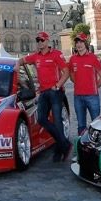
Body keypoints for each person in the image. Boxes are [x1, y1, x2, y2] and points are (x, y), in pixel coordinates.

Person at [19, 32, 70, 162]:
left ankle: (59, 150)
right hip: (43, 92)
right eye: (38, 40)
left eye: (42, 40)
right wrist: (16, 65)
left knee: (57, 121)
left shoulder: (56, 54)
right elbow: (22, 60)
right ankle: (64, 144)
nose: (40, 42)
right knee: (41, 119)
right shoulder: (36, 56)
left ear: (47, 41)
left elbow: (66, 72)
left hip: (55, 92)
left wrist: (58, 85)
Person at [67, 33, 101, 136]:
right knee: (81, 125)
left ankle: (96, 143)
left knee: (96, 124)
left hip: (92, 96)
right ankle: (82, 143)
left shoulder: (93, 58)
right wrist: (80, 84)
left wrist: (95, 86)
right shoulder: (72, 59)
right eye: (77, 42)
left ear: (86, 43)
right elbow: (71, 76)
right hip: (78, 97)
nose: (79, 44)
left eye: (81, 42)